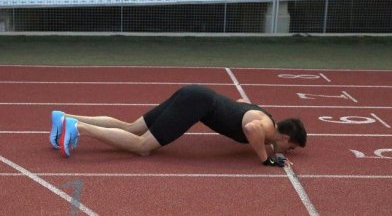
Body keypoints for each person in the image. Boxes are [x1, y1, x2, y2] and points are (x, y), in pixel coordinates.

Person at [49, 84, 307, 166]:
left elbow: (241, 102)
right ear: (284, 138)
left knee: (131, 128)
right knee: (142, 146)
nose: (287, 151)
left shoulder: (263, 114)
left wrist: (224, 114)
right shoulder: (263, 126)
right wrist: (266, 159)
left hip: (195, 94)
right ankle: (77, 127)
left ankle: (64, 117)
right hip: (196, 102)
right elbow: (251, 130)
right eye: (290, 148)